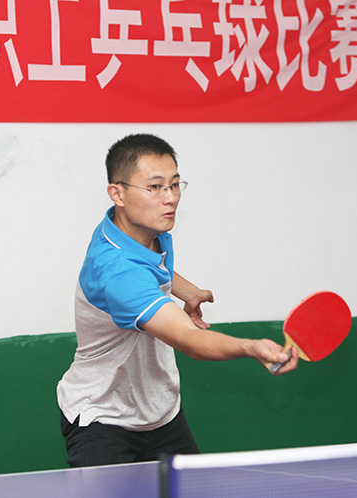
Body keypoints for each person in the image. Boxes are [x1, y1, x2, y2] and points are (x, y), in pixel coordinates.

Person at [57, 133, 298, 467]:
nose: (170, 198)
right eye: (155, 187)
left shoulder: (141, 230)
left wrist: (184, 290)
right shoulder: (118, 271)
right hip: (103, 417)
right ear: (118, 193)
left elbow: (151, 266)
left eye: (174, 185)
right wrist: (250, 347)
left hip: (162, 413)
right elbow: (187, 338)